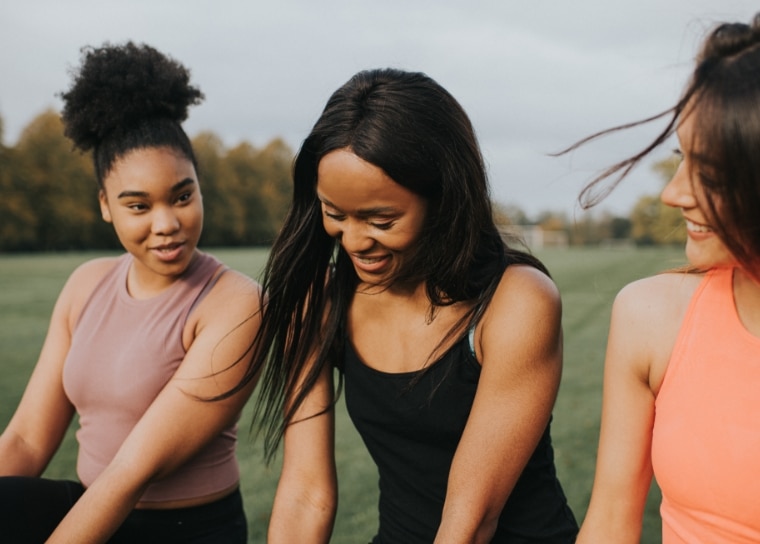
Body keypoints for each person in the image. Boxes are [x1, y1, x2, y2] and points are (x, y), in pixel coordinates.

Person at [236, 68, 578, 543]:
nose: (354, 241)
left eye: (381, 218)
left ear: (443, 199)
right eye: (334, 214)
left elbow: (471, 519)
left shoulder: (517, 302)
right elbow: (305, 493)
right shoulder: (319, 302)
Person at [0, 42, 261, 543]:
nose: (167, 224)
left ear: (200, 188)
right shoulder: (86, 284)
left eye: (182, 197)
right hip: (89, 507)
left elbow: (131, 472)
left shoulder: (236, 303)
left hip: (185, 531)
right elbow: (27, 439)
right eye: (138, 206)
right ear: (105, 205)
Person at [570, 13, 760, 543]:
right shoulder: (650, 316)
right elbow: (609, 524)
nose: (672, 194)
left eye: (713, 176)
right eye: (682, 159)